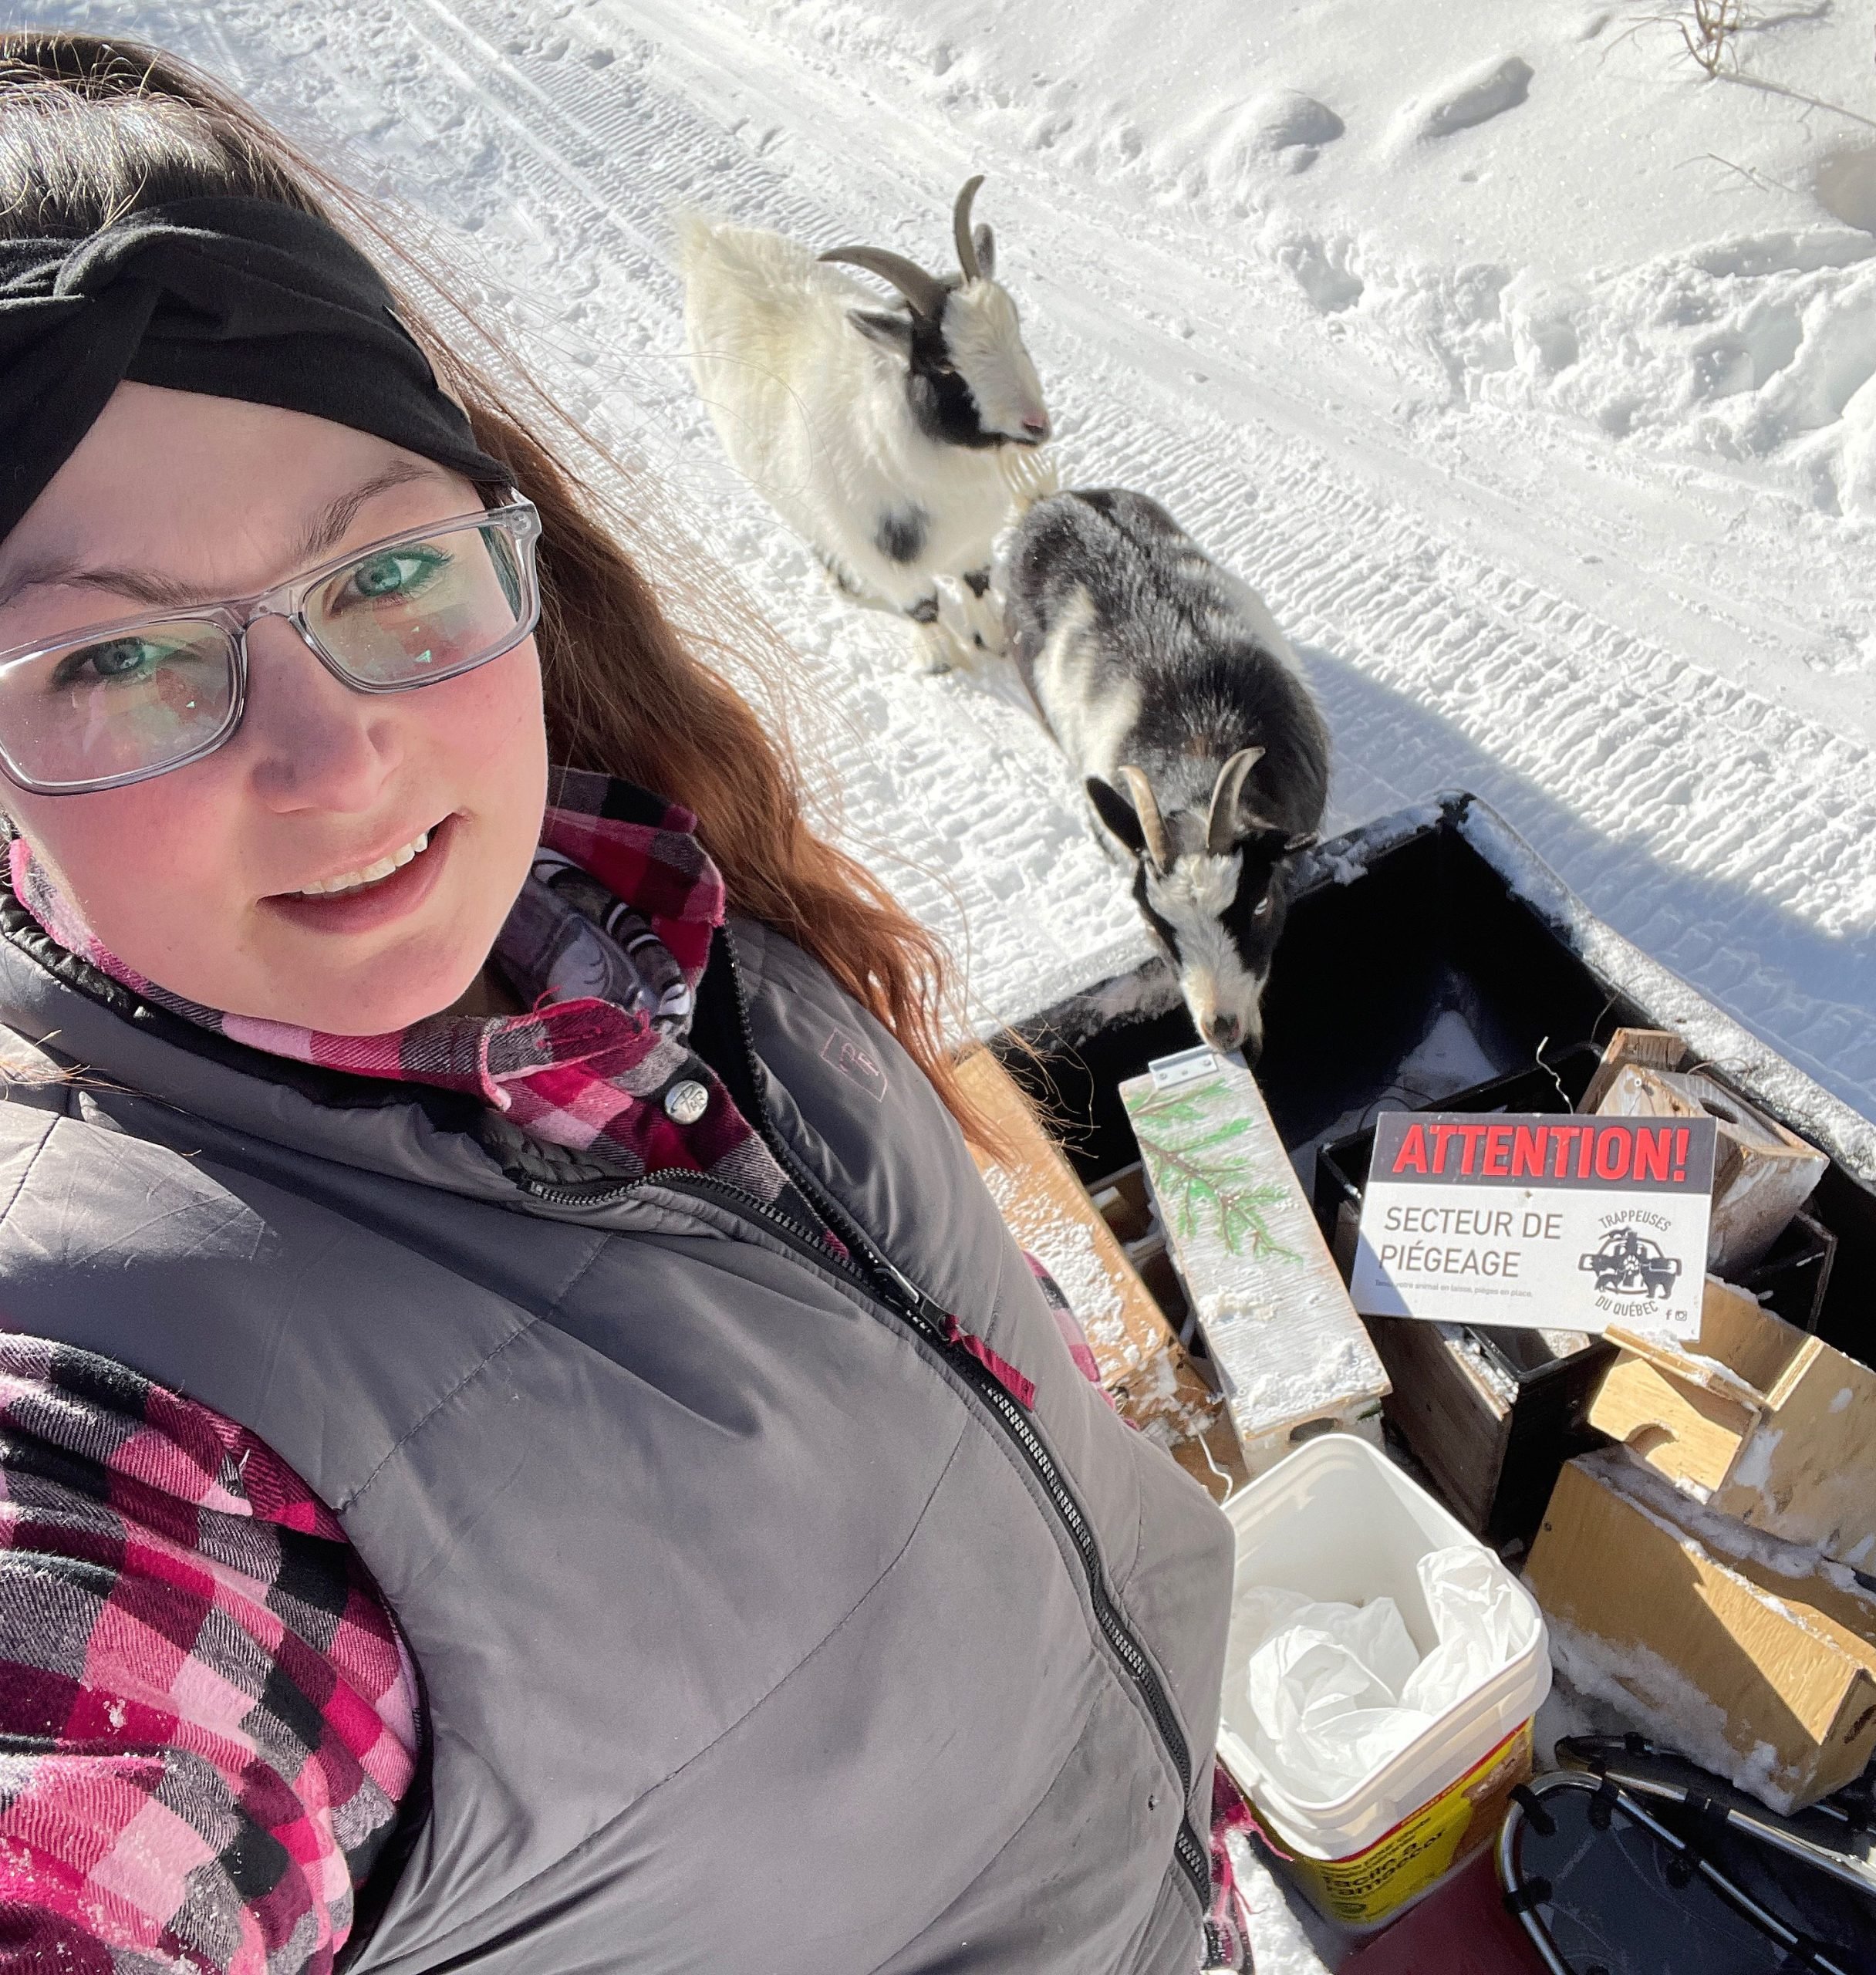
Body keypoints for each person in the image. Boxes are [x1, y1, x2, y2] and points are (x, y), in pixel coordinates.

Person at [0, 33, 1236, 1975]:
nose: (343, 761)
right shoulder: (120, 1432)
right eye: (123, 660)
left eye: (384, 569)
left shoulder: (651, 906)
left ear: (503, 541)